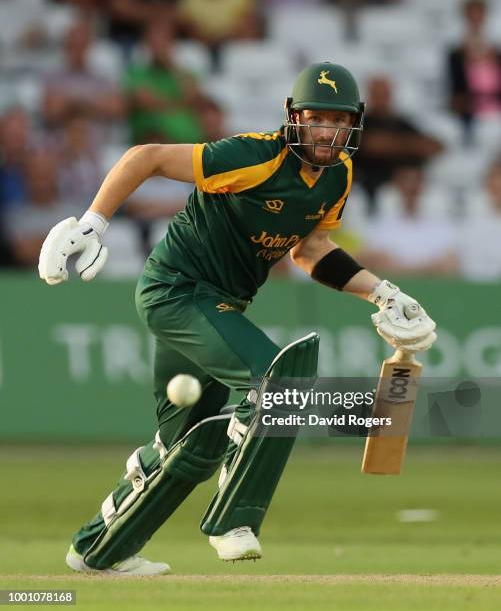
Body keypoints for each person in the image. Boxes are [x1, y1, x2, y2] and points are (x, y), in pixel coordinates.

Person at [38, 62, 436, 575]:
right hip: (177, 290)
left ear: (353, 125)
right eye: (316, 119)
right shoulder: (255, 156)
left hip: (219, 304)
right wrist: (93, 223)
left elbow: (311, 251)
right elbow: (147, 156)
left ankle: (97, 550)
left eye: (337, 121)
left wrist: (383, 293)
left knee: (190, 443)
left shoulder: (338, 175)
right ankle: (232, 521)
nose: (327, 131)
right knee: (279, 379)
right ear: (293, 119)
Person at [355, 76, 443, 212]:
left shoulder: (402, 123)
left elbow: (435, 146)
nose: (381, 99)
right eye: (377, 94)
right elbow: (370, 145)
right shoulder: (359, 123)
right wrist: (410, 145)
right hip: (367, 184)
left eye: (385, 94)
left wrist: (391, 145)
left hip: (400, 185)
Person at [446, 0, 501, 142]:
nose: (475, 18)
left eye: (479, 13)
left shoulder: (495, 50)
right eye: (471, 13)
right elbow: (455, 87)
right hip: (469, 107)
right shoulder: (456, 53)